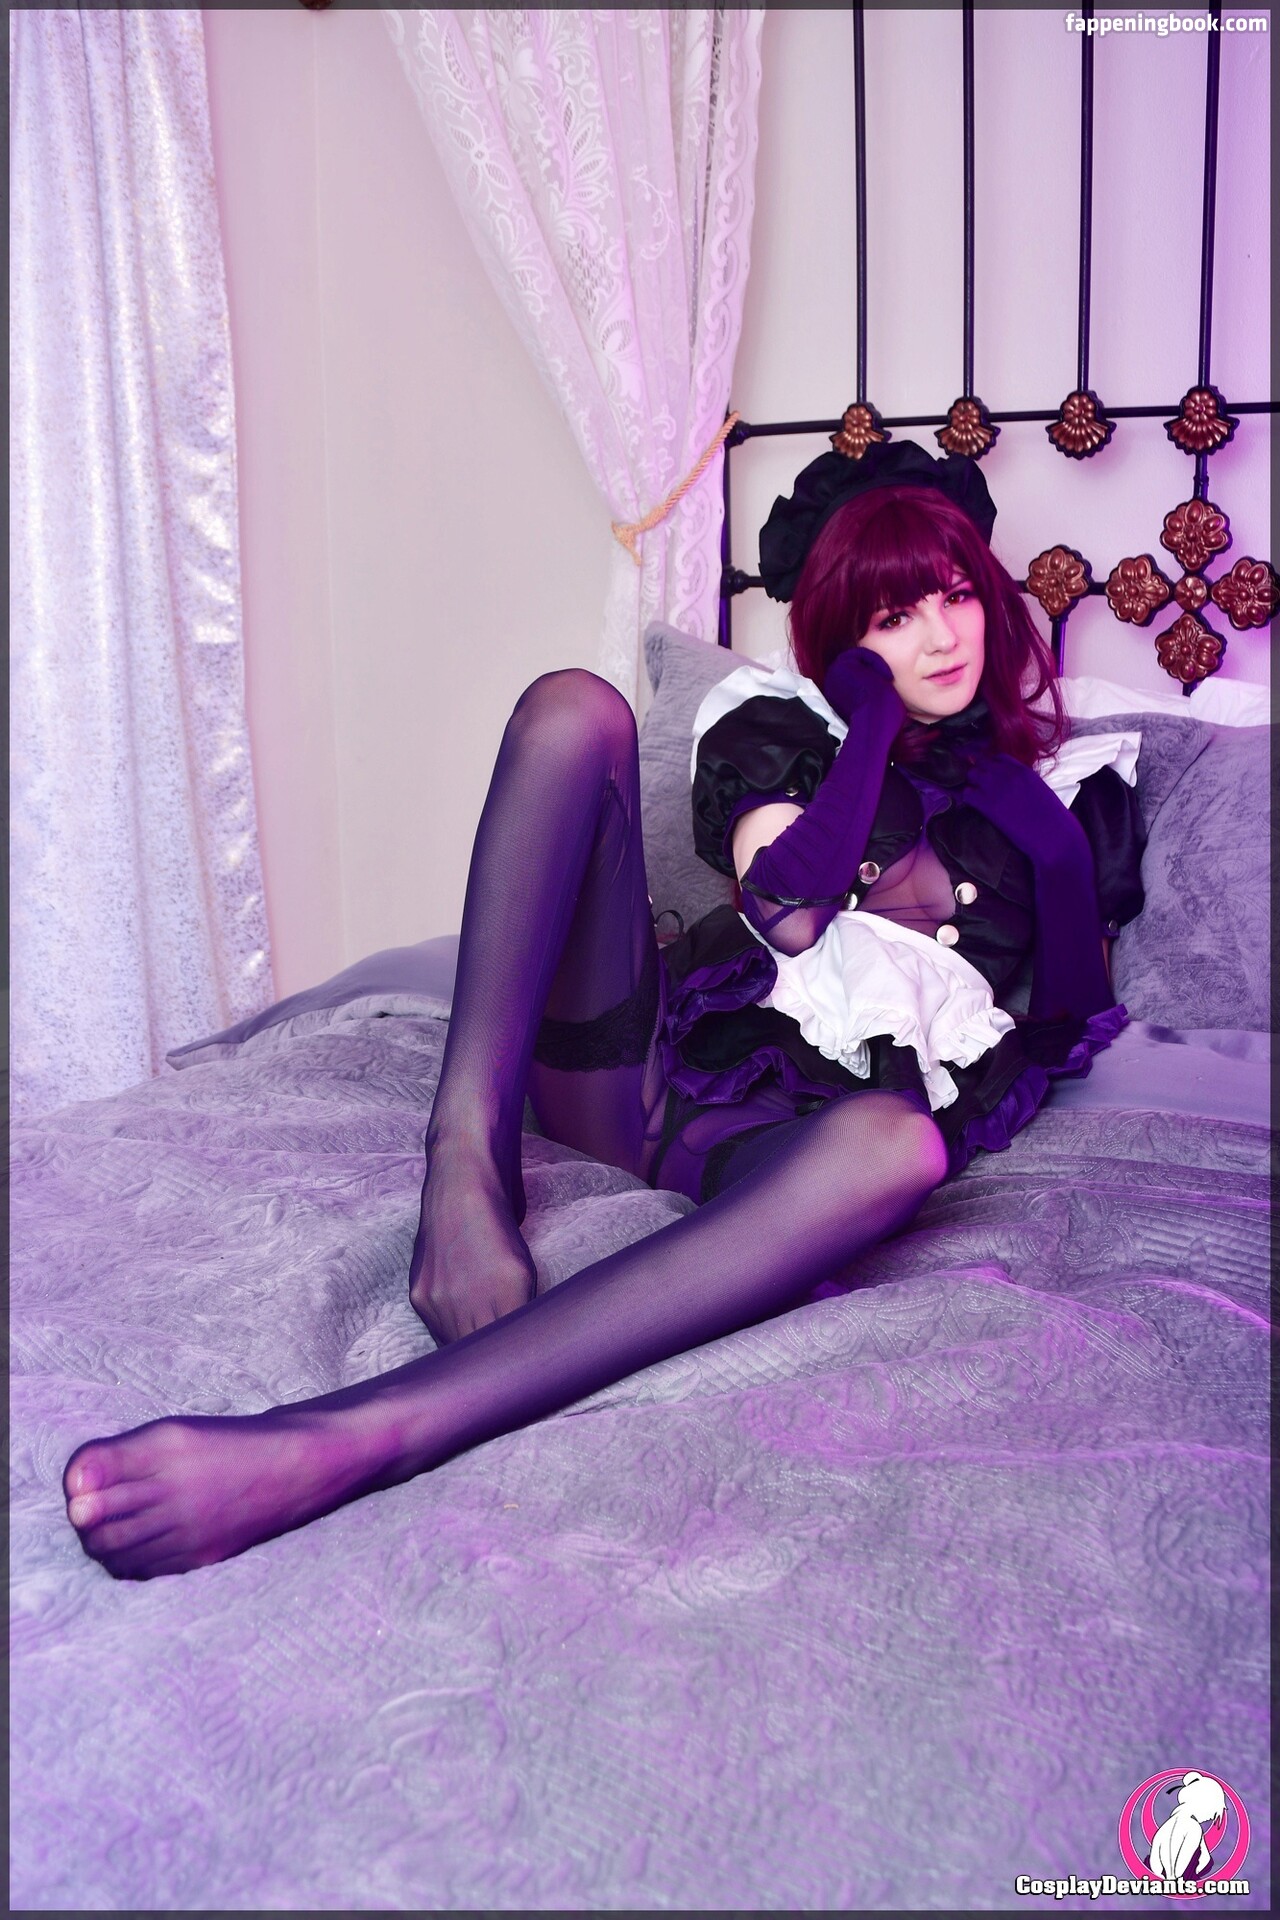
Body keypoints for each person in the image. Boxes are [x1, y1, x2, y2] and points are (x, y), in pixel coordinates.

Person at [63, 439, 1144, 1579]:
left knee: (900, 1145)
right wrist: (867, 718)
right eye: (890, 617)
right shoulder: (784, 734)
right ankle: (462, 1159)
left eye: (955, 596)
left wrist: (1046, 836)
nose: (940, 636)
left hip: (774, 1151)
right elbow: (788, 913)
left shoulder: (1067, 797)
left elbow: (1066, 1020)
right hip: (640, 1080)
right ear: (841, 643)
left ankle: (363, 1436)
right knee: (572, 708)